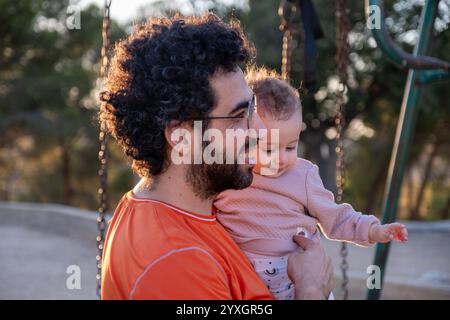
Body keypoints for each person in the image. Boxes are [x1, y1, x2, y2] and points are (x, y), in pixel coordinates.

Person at [98, 13, 333, 300]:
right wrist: (310, 289)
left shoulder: (193, 213)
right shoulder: (175, 262)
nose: (259, 130)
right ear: (181, 135)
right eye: (238, 115)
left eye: (253, 109)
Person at [214, 67, 408, 300]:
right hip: (243, 283)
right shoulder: (231, 175)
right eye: (268, 148)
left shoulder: (302, 175)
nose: (282, 158)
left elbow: (337, 218)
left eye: (290, 146)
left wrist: (374, 230)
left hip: (298, 282)